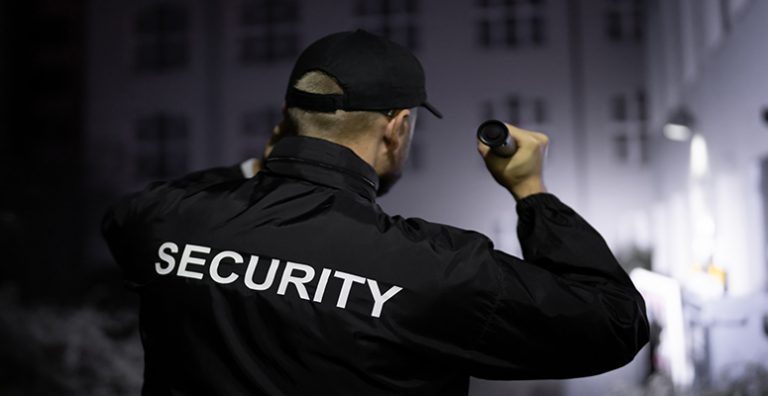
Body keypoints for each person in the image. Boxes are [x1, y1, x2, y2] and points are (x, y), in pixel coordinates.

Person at [102, 29, 649, 396]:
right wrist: (532, 193)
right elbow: (614, 322)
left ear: (288, 119)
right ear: (396, 127)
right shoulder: (432, 269)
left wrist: (257, 169)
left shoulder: (169, 223)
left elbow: (128, 215)